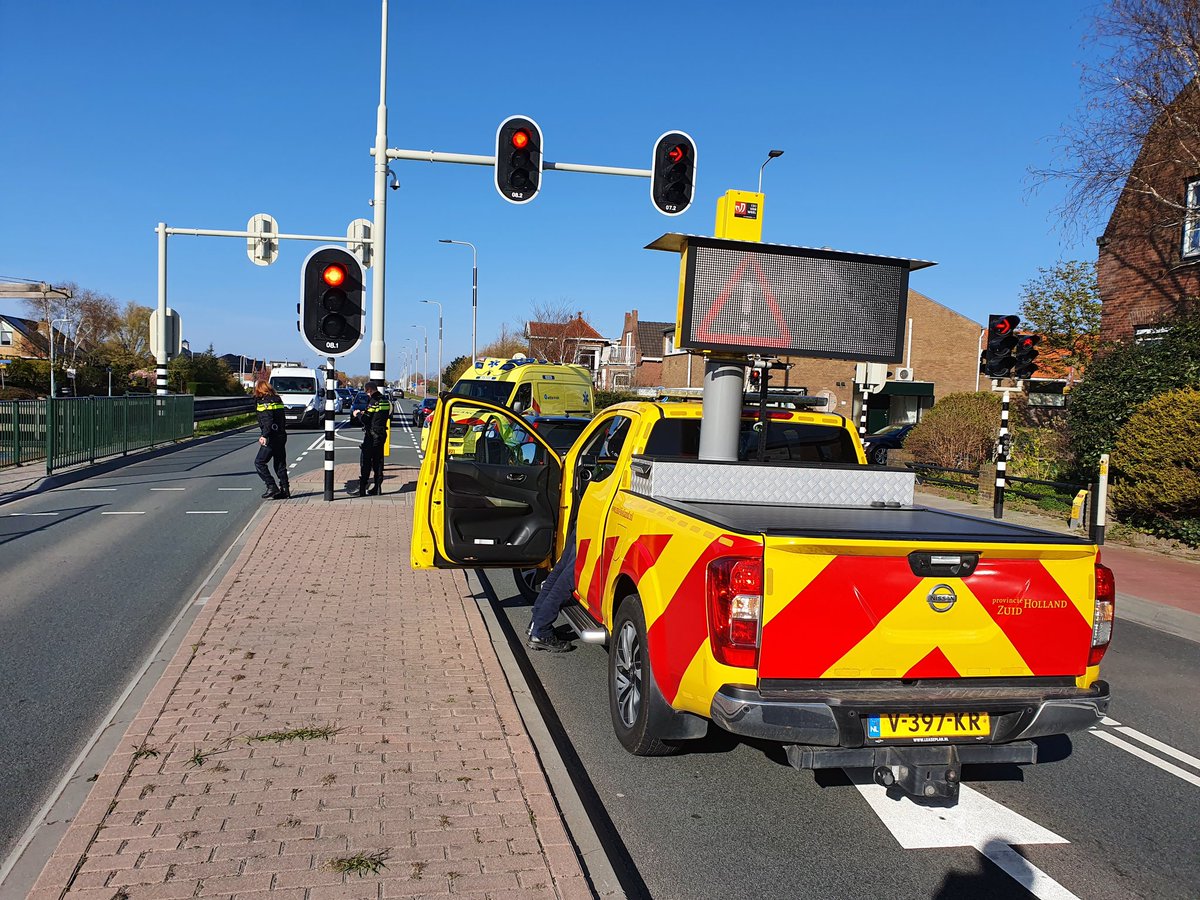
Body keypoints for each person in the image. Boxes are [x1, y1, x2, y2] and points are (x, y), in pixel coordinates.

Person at [527, 524, 578, 653]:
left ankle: (536, 623)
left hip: (585, 520)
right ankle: (541, 631)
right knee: (568, 578)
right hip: (595, 525)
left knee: (561, 570)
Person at [352, 380, 390, 496]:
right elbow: (379, 415)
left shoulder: (374, 401)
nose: (367, 394)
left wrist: (358, 414)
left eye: (366, 392)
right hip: (382, 434)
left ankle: (362, 488)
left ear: (369, 390)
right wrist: (367, 413)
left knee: (366, 461)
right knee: (378, 461)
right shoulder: (385, 400)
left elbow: (365, 419)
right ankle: (377, 488)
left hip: (371, 435)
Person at [253, 381, 289, 500]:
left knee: (259, 462)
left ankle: (271, 486)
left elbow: (268, 421)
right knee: (279, 464)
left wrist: (264, 435)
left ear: (259, 390)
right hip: (281, 435)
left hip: (271, 437)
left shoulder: (264, 402)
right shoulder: (277, 400)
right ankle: (285, 490)